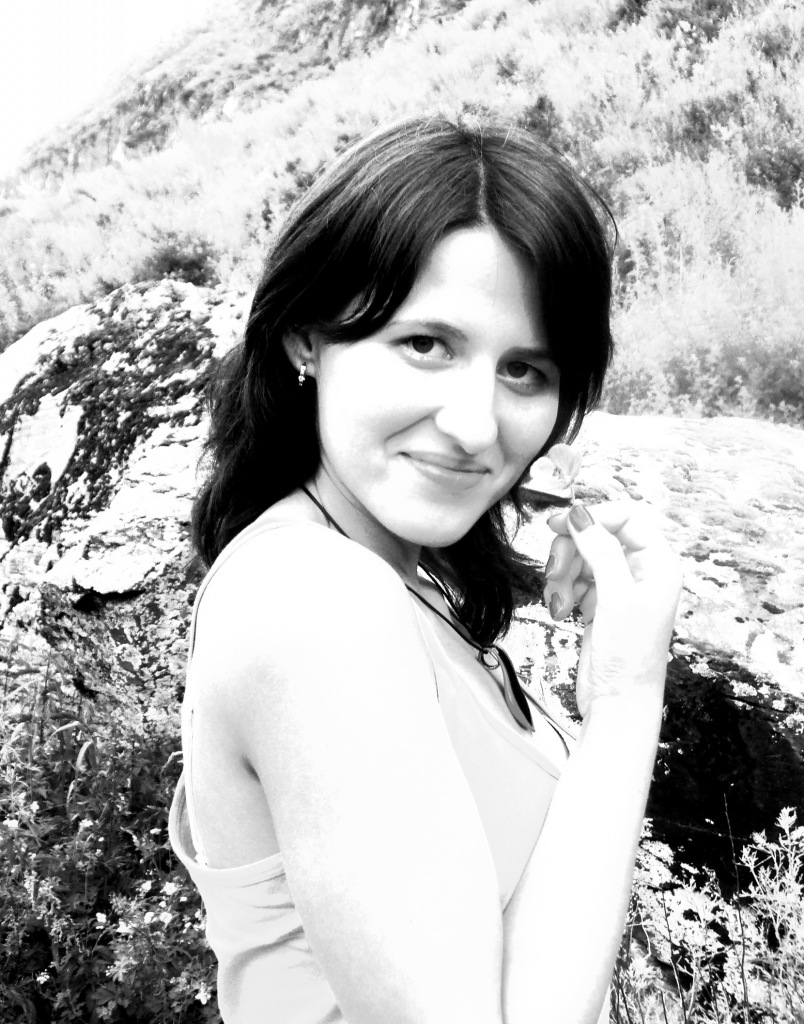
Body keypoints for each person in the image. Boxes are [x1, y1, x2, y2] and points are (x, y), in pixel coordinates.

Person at [168, 114, 682, 1024]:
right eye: (426, 345)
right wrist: (627, 697)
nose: (477, 426)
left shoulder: (397, 573)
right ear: (305, 337)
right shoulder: (318, 605)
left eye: (524, 371)